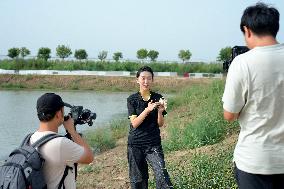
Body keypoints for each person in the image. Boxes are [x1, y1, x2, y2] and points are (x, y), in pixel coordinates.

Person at [222, 2, 284, 189]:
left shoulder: (242, 63)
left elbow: (229, 115)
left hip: (255, 160)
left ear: (247, 30)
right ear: (275, 28)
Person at [30, 93, 94, 189]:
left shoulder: (31, 138)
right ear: (59, 114)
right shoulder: (60, 144)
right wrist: (72, 131)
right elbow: (89, 157)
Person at [127, 66, 173, 189]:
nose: (146, 81)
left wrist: (160, 111)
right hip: (135, 144)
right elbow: (134, 124)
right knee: (138, 180)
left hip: (153, 144)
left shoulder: (158, 97)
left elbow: (160, 124)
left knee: (162, 175)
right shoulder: (132, 100)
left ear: (152, 80)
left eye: (149, 78)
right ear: (137, 80)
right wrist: (147, 110)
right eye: (143, 78)